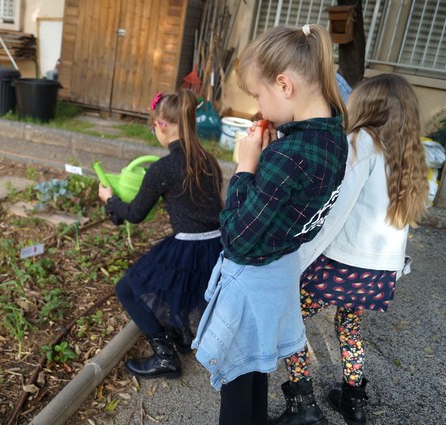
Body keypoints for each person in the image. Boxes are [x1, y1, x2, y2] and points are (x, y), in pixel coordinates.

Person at [191, 23, 348, 425]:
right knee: (258, 365)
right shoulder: (334, 136)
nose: (260, 108)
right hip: (283, 269)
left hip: (254, 277)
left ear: (284, 84)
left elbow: (237, 240)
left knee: (239, 383)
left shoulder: (289, 155)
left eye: (259, 95)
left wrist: (245, 170)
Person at [275, 74, 429, 425]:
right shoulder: (407, 153)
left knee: (289, 319)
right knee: (349, 325)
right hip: (377, 272)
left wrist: (301, 256)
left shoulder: (360, 141)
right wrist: (395, 268)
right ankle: (353, 401)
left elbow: (336, 209)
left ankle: (304, 405)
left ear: (367, 105)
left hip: (343, 265)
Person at [98, 89, 224, 379]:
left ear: (163, 125)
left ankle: (165, 356)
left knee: (127, 289)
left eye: (153, 125)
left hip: (189, 247)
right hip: (217, 245)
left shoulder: (162, 168)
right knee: (182, 285)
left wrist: (109, 200)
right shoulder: (209, 161)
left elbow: (135, 214)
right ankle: (183, 335)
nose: (154, 130)